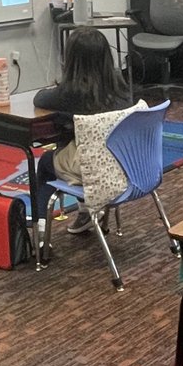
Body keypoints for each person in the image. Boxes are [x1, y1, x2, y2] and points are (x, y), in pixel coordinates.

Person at [32, 27, 131, 244]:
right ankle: (86, 212)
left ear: (72, 60)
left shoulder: (70, 93)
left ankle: (39, 228)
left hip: (92, 169)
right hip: (125, 164)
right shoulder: (120, 86)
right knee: (72, 148)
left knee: (47, 162)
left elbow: (40, 99)